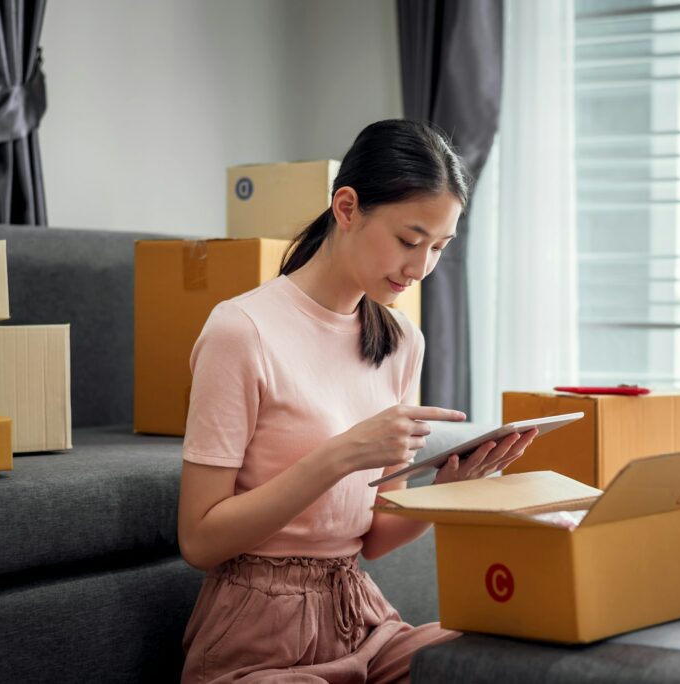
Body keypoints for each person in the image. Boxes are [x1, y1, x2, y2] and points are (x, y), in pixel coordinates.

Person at [177, 119, 538, 683]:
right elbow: (199, 540)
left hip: (362, 620)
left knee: (497, 661)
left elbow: (373, 538)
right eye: (409, 241)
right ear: (346, 208)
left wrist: (446, 495)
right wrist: (342, 454)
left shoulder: (401, 341)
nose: (421, 268)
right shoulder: (241, 330)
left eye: (439, 248)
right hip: (259, 636)